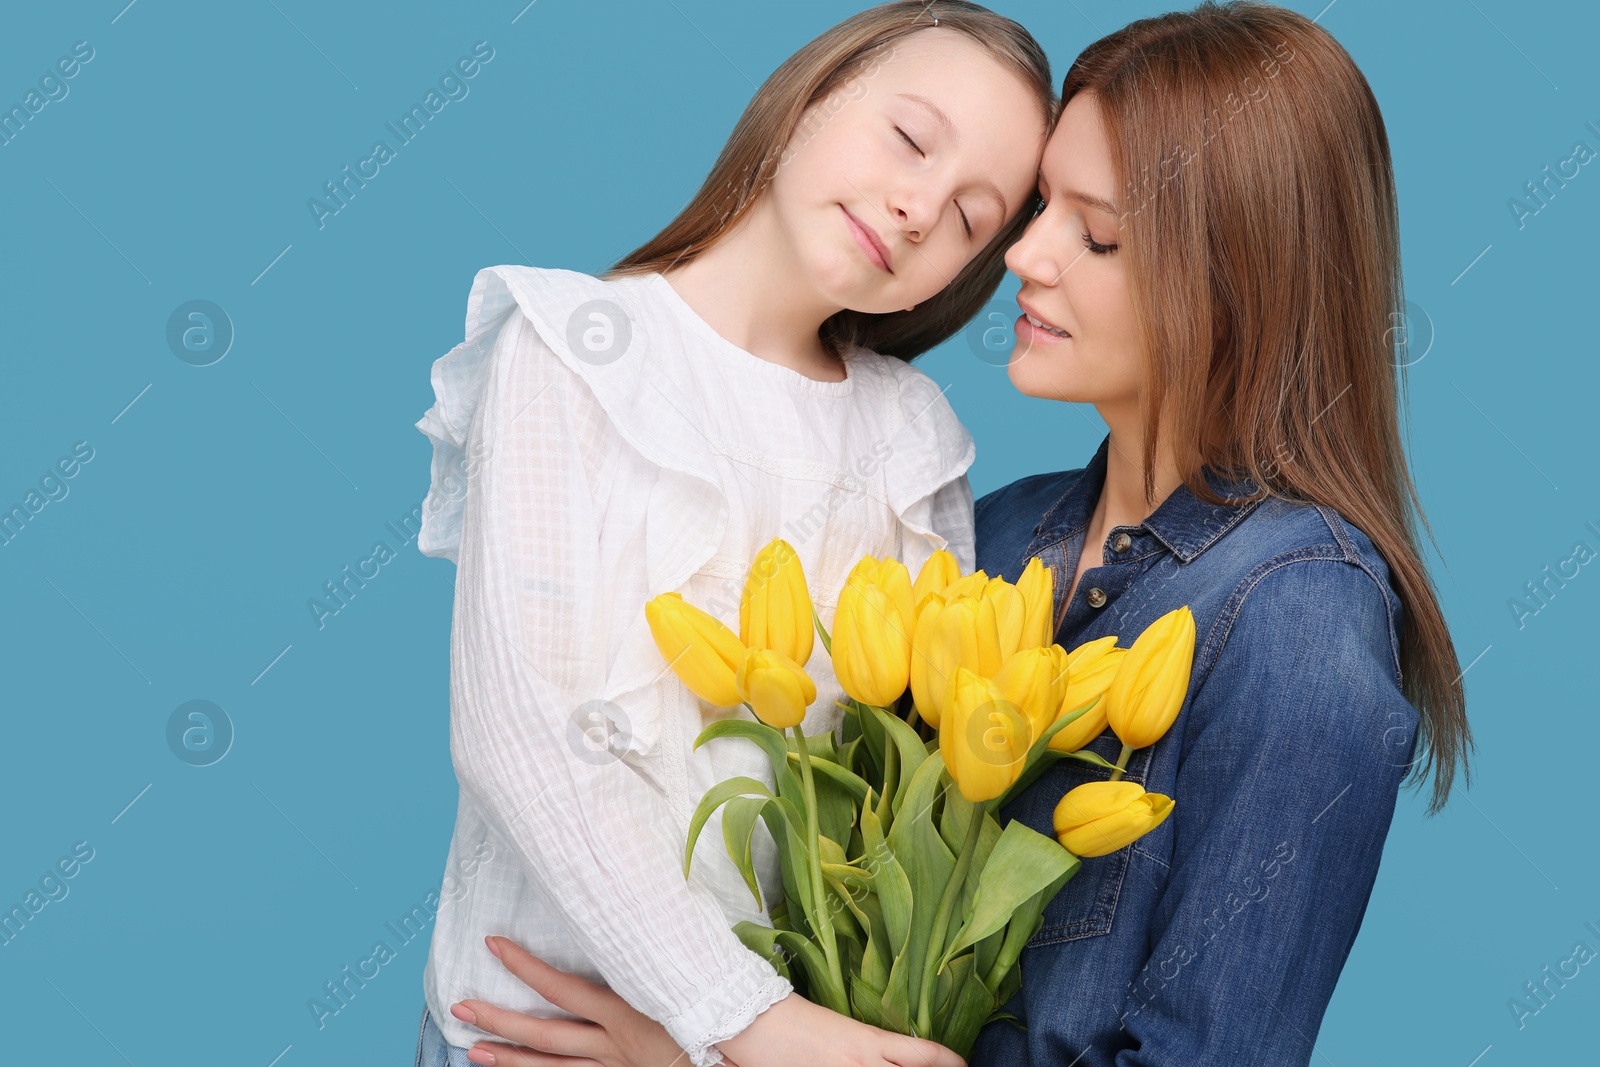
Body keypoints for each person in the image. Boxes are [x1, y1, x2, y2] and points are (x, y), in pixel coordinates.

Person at [437, 3, 1476, 1066]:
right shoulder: (1006, 533)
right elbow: (848, 931)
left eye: (1096, 231)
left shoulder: (1297, 617)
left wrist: (705, 1050)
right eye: (1037, 212)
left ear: (1234, 279)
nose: (1023, 254)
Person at [409, 4, 1053, 1067]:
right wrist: (741, 1018)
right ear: (812, 93)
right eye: (909, 138)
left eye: (969, 217)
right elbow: (520, 732)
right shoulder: (574, 350)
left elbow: (906, 801)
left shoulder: (912, 435)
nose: (914, 207)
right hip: (539, 1040)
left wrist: (723, 1045)